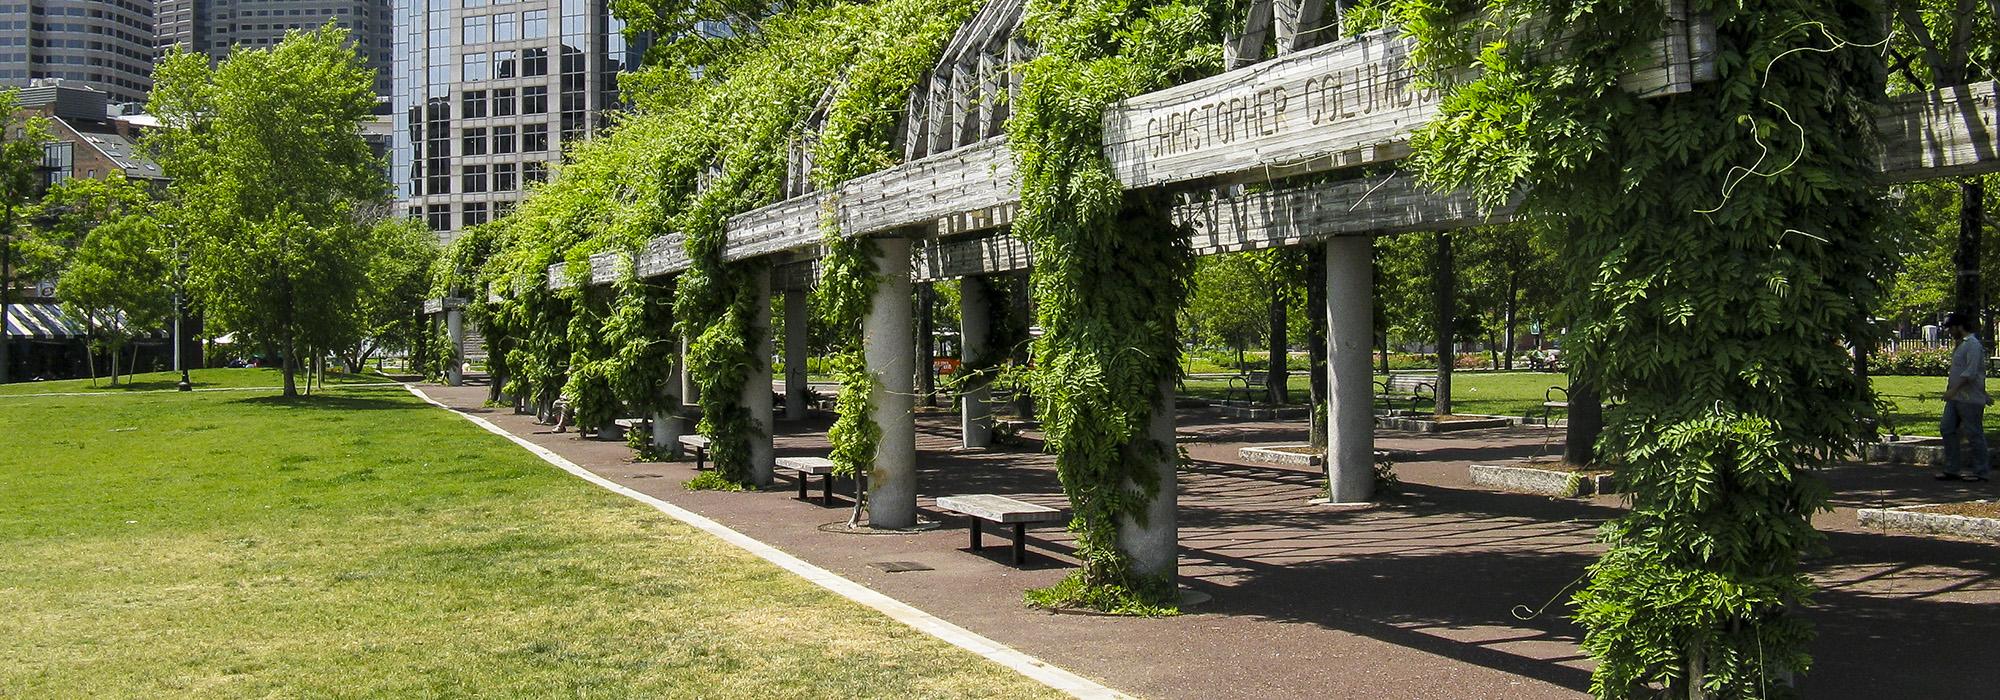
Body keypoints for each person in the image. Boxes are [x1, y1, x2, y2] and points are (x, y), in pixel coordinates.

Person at [1936, 311, 1991, 482]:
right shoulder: (1961, 344)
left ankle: (1981, 472)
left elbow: (1971, 373)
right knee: (1947, 428)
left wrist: (1954, 390)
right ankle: (1952, 468)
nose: (1950, 332)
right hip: (1955, 398)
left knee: (1974, 433)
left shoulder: (1973, 345)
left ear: (1959, 327)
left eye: (1951, 328)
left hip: (1968, 398)